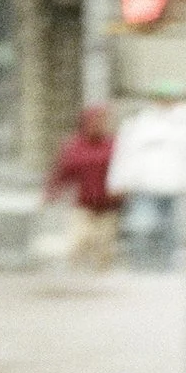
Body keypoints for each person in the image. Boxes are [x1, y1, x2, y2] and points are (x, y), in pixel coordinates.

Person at [106, 88, 186, 270]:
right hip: (145, 186)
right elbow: (124, 154)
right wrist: (117, 181)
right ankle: (142, 267)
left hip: (179, 186)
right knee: (142, 227)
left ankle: (165, 272)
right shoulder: (138, 123)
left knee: (174, 234)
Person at [46, 103, 123, 271]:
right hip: (83, 204)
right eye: (94, 121)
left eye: (102, 121)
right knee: (79, 240)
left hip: (109, 205)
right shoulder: (74, 147)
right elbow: (62, 172)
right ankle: (74, 277)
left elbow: (125, 170)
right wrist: (52, 192)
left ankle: (102, 282)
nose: (98, 125)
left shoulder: (113, 145)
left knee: (104, 248)